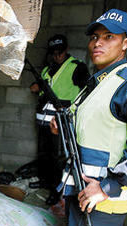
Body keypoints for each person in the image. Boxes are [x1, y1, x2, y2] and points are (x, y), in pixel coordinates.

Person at [50, 9, 127, 226]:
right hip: (82, 194)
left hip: (103, 202)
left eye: (109, 36)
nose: (97, 43)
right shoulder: (100, 81)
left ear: (126, 43)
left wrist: (106, 187)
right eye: (94, 37)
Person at [29, 34, 90, 205]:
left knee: (57, 158)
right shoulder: (47, 70)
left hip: (60, 123)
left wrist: (70, 110)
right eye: (54, 53)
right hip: (42, 121)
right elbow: (39, 90)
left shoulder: (77, 68)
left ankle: (55, 191)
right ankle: (44, 181)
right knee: (43, 154)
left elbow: (86, 92)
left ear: (66, 50)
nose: (57, 56)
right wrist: (37, 87)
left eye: (60, 52)